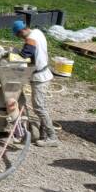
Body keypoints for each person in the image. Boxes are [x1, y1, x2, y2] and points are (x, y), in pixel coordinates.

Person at [12, 19, 59, 147]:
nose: (20, 38)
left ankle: (52, 137)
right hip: (44, 72)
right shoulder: (38, 32)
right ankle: (44, 133)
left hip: (40, 77)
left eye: (19, 35)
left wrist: (11, 55)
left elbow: (25, 54)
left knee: (39, 107)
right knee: (41, 105)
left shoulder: (30, 39)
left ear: (21, 31)